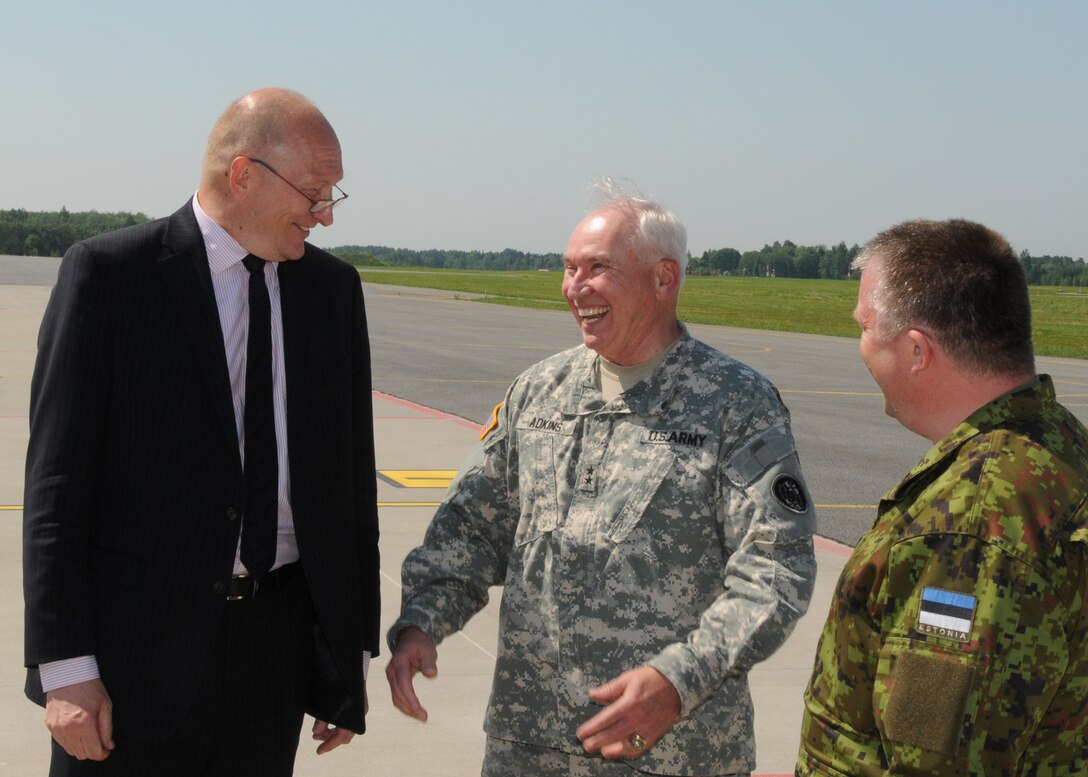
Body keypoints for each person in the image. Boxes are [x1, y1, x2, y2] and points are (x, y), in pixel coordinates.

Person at [385, 183, 817, 776]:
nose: (575, 287)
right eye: (568, 269)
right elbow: (473, 528)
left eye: (598, 268)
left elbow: (775, 568)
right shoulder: (539, 391)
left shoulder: (734, 404)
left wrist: (677, 679)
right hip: (529, 744)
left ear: (664, 279)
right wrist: (421, 621)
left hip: (672, 752)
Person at [23, 88, 380, 776]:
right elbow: (57, 488)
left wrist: (349, 652)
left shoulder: (333, 292)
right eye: (313, 192)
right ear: (243, 174)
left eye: (333, 194)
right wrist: (65, 666)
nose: (326, 215)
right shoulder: (111, 275)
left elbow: (346, 483)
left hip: (269, 663)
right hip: (130, 666)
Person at [797, 219, 1088, 775]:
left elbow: (932, 759)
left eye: (864, 327)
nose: (859, 345)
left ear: (916, 350)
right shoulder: (1057, 443)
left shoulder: (971, 526)